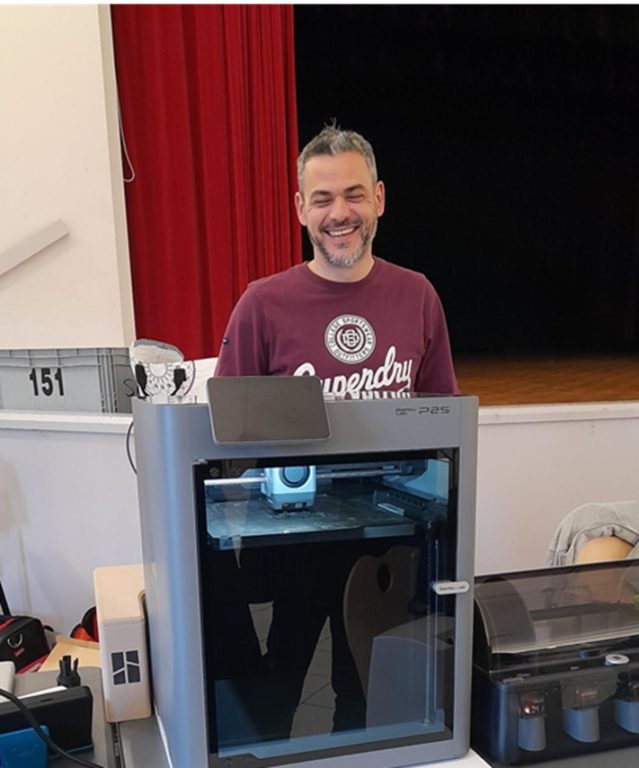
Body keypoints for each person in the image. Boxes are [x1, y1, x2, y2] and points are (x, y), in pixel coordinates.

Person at [215, 125, 458, 740]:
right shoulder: (261, 304)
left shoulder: (418, 295)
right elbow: (226, 438)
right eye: (322, 199)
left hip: (392, 542)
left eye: (353, 194)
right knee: (276, 694)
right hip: (289, 547)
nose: (339, 213)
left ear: (379, 198)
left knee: (370, 698)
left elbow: (444, 421)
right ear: (301, 208)